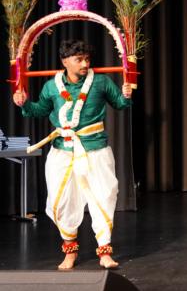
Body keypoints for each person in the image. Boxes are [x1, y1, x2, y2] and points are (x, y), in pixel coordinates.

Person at [13, 39, 132, 269]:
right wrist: (24, 103)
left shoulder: (101, 82)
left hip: (95, 150)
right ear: (65, 61)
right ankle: (70, 252)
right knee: (62, 201)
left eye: (87, 59)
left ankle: (104, 252)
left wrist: (126, 95)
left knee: (103, 197)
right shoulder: (51, 86)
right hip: (63, 152)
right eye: (79, 59)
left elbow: (120, 104)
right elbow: (38, 111)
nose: (85, 64)